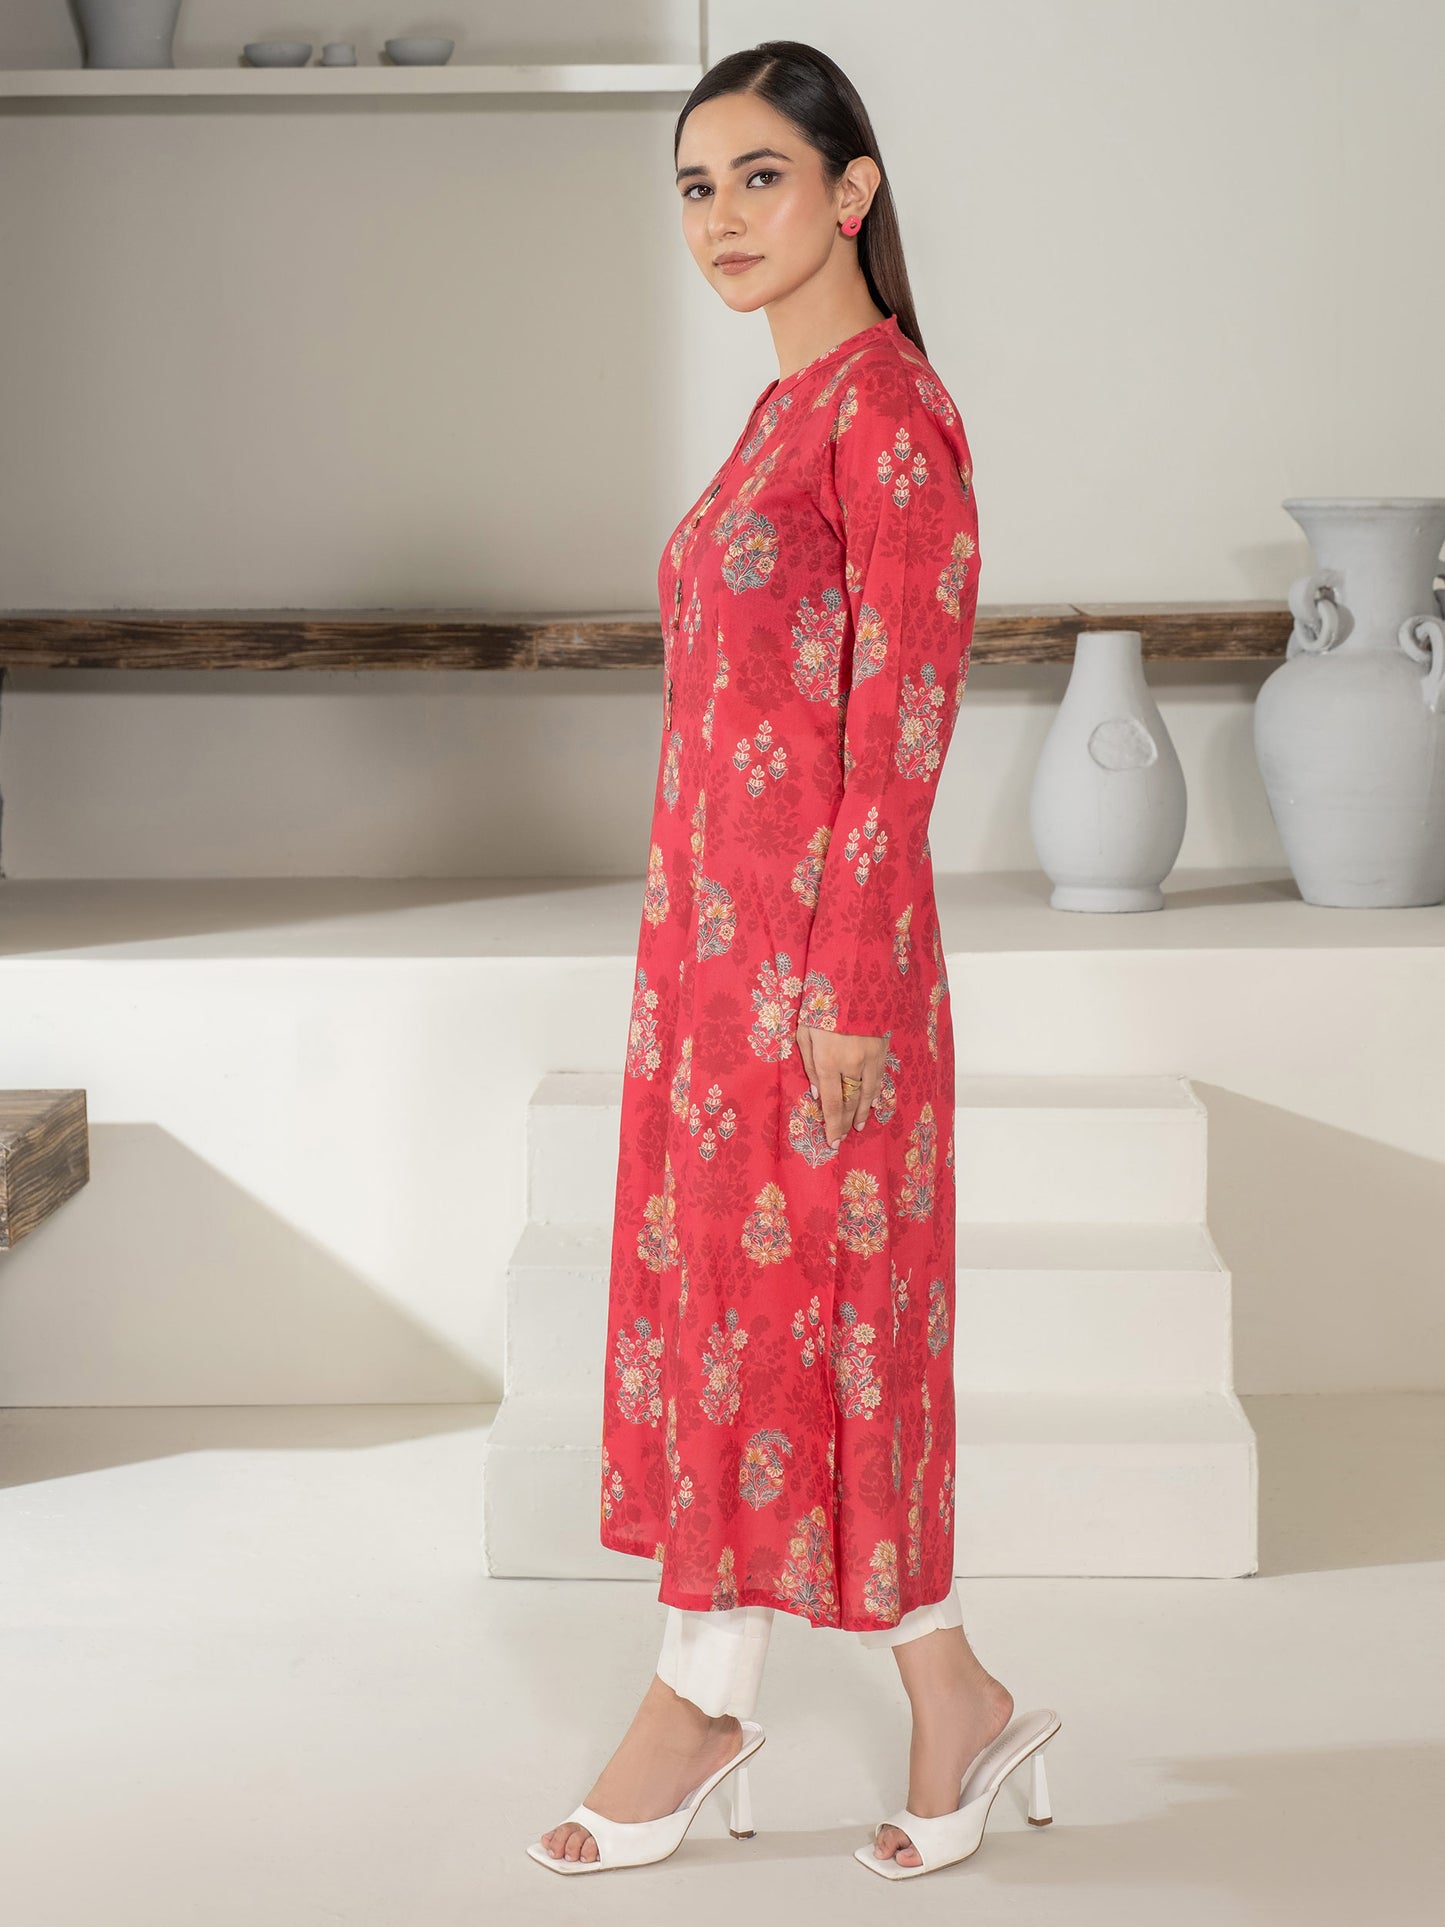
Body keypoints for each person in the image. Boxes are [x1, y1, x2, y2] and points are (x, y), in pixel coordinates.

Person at [528, 39, 1059, 1879]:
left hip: (821, 977)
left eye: (760, 176)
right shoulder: (778, 416)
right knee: (735, 1336)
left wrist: (842, 989)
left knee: (814, 1337)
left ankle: (701, 1704)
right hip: (708, 970)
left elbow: (899, 728)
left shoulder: (888, 416)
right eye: (695, 187)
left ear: (850, 191)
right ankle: (948, 1697)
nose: (722, 219)